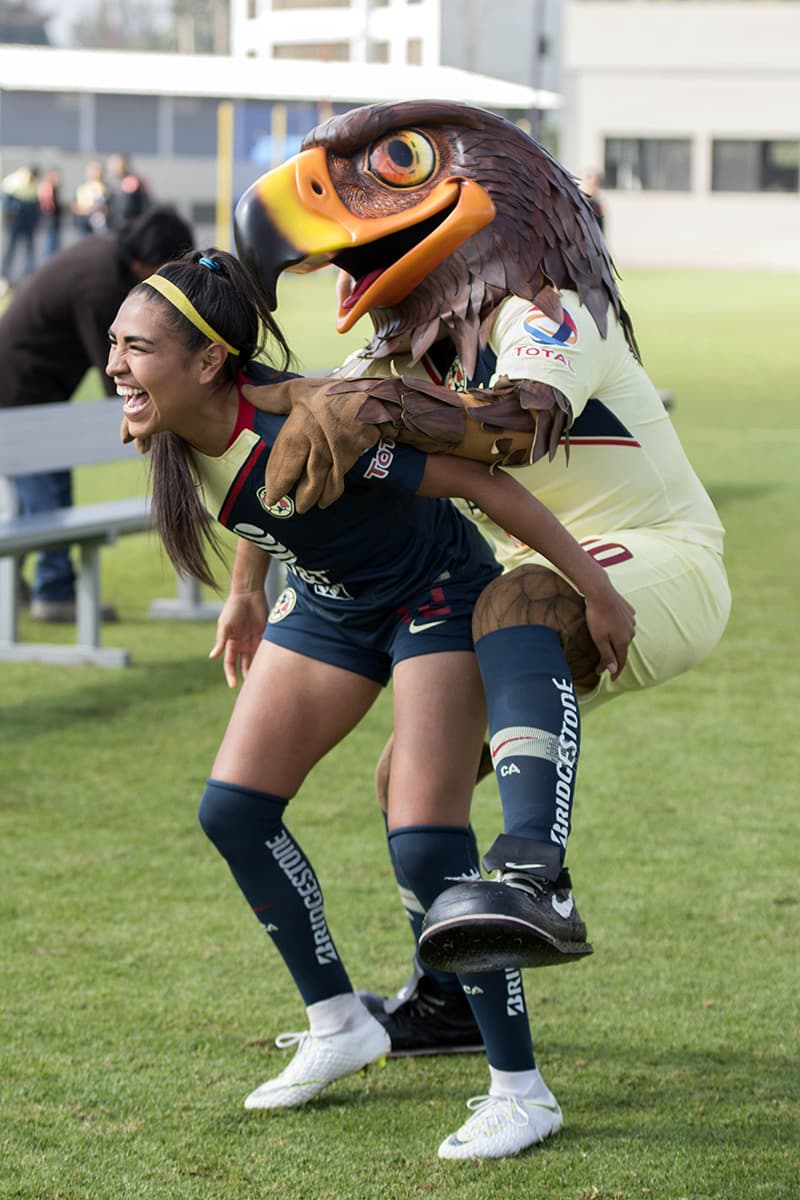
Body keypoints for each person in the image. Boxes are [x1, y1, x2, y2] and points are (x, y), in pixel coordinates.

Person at [228, 98, 731, 1056]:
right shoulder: (394, 352)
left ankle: (537, 872)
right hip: (531, 574)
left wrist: (378, 412)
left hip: (656, 557)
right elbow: (292, 455)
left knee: (515, 598)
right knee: (408, 780)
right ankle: (450, 995)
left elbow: (511, 427)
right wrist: (247, 587)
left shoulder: (550, 309)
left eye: (400, 160)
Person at [108, 248, 635, 1160]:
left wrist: (597, 591)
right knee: (233, 810)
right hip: (329, 604)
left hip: (435, 594)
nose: (116, 363)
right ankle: (340, 1024)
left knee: (425, 836)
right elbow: (259, 504)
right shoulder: (184, 423)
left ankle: (522, 1088)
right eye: (114, 343)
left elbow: (481, 483)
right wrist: (244, 592)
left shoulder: (306, 427)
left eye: (136, 348)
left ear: (206, 364)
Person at [0, 205, 194, 621]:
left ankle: (23, 585)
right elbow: (119, 370)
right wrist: (155, 414)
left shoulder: (111, 261)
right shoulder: (100, 282)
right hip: (19, 384)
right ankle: (55, 593)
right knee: (48, 493)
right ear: (147, 262)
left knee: (32, 494)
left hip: (32, 384)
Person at [1, 165, 41, 290]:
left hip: (28, 220)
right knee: (11, 249)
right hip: (16, 220)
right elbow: (6, 202)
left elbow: (36, 204)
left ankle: (29, 275)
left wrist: (36, 221)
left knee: (30, 248)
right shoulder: (14, 182)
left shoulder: (34, 184)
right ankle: (4, 276)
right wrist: (9, 216)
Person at [104, 152, 150, 231]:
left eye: (118, 162)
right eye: (113, 163)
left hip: (132, 225)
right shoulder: (109, 183)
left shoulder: (136, 181)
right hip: (113, 224)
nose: (116, 165)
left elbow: (145, 202)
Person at [72, 160, 109, 236]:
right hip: (83, 220)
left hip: (98, 222)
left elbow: (107, 205)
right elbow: (75, 204)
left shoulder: (105, 187)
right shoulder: (83, 187)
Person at [37, 167, 65, 258]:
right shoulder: (47, 187)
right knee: (50, 249)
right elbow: (48, 206)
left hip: (55, 221)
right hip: (50, 222)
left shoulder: (55, 188)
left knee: (54, 247)